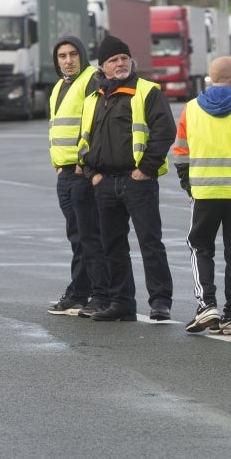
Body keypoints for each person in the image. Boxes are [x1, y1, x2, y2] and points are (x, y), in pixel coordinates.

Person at [77, 35, 177, 322]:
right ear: (102, 67)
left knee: (150, 241)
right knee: (112, 245)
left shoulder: (147, 91)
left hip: (138, 181)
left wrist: (145, 168)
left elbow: (164, 131)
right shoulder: (93, 99)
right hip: (105, 182)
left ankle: (160, 301)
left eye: (124, 58)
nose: (120, 63)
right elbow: (84, 139)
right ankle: (122, 302)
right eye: (113, 60)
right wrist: (92, 173)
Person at [173, 56, 231, 336]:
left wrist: (190, 187)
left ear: (210, 78)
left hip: (205, 191)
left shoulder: (190, 109)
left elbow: (181, 153)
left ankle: (206, 305)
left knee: (200, 246)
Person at [46, 35, 107, 317]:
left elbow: (96, 124)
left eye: (72, 54)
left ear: (82, 55)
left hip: (82, 172)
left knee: (90, 237)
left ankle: (98, 294)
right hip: (65, 172)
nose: (68, 61)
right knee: (77, 237)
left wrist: (86, 163)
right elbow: (57, 128)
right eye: (62, 56)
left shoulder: (91, 80)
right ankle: (79, 292)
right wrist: (58, 164)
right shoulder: (60, 85)